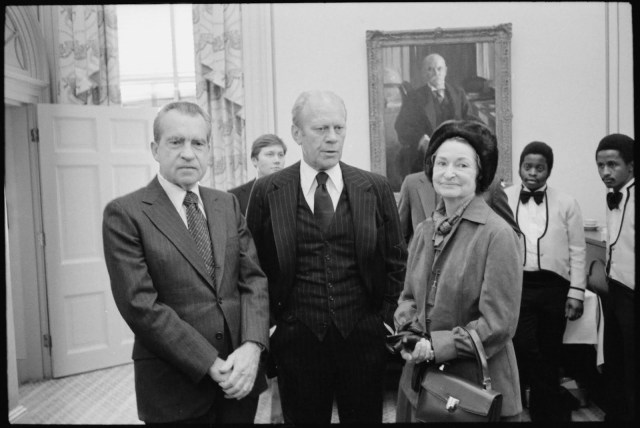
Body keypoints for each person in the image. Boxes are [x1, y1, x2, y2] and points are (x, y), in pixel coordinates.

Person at [102, 101, 269, 424]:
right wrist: (209, 362)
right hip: (174, 387)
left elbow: (254, 280)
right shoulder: (126, 214)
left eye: (198, 143)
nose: (188, 153)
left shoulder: (227, 204)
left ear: (209, 150)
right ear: (155, 149)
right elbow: (140, 305)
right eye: (176, 142)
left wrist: (252, 346)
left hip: (240, 381)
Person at [246, 90, 407, 424]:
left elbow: (396, 261)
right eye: (320, 129)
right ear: (297, 133)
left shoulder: (374, 187)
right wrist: (272, 328)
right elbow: (252, 267)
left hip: (363, 339)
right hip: (296, 341)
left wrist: (385, 321)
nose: (332, 138)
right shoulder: (267, 191)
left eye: (339, 128)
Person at [394, 119, 523, 422]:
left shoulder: (497, 234)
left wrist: (436, 346)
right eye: (442, 163)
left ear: (480, 173)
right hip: (420, 384)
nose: (449, 173)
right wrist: (409, 334)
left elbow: (498, 323)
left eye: (462, 165)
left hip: (474, 390)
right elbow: (408, 297)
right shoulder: (425, 230)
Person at [505, 141, 586, 421]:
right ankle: (534, 403)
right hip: (518, 285)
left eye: (540, 168)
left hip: (555, 287)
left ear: (549, 170)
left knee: (551, 349)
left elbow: (578, 249)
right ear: (519, 167)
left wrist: (576, 292)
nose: (533, 173)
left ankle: (546, 412)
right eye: (528, 166)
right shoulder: (504, 198)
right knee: (522, 346)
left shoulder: (567, 202)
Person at [594, 134, 635, 422]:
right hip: (615, 290)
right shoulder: (614, 196)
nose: (605, 172)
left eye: (612, 164)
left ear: (631, 166)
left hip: (632, 293)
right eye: (600, 165)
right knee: (616, 360)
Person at [394, 53, 479, 178]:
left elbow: (469, 118)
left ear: (445, 71)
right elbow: (402, 126)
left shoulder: (458, 93)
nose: (436, 73)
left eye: (439, 69)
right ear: (424, 73)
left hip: (456, 151)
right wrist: (421, 139)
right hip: (427, 155)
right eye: (430, 69)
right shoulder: (414, 97)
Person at [398, 170, 519, 245]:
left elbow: (511, 234)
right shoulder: (412, 183)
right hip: (423, 275)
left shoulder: (490, 184)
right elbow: (399, 238)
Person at [228, 134, 287, 214]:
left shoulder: (294, 191)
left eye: (281, 155)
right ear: (254, 161)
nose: (277, 160)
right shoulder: (235, 196)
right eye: (270, 154)